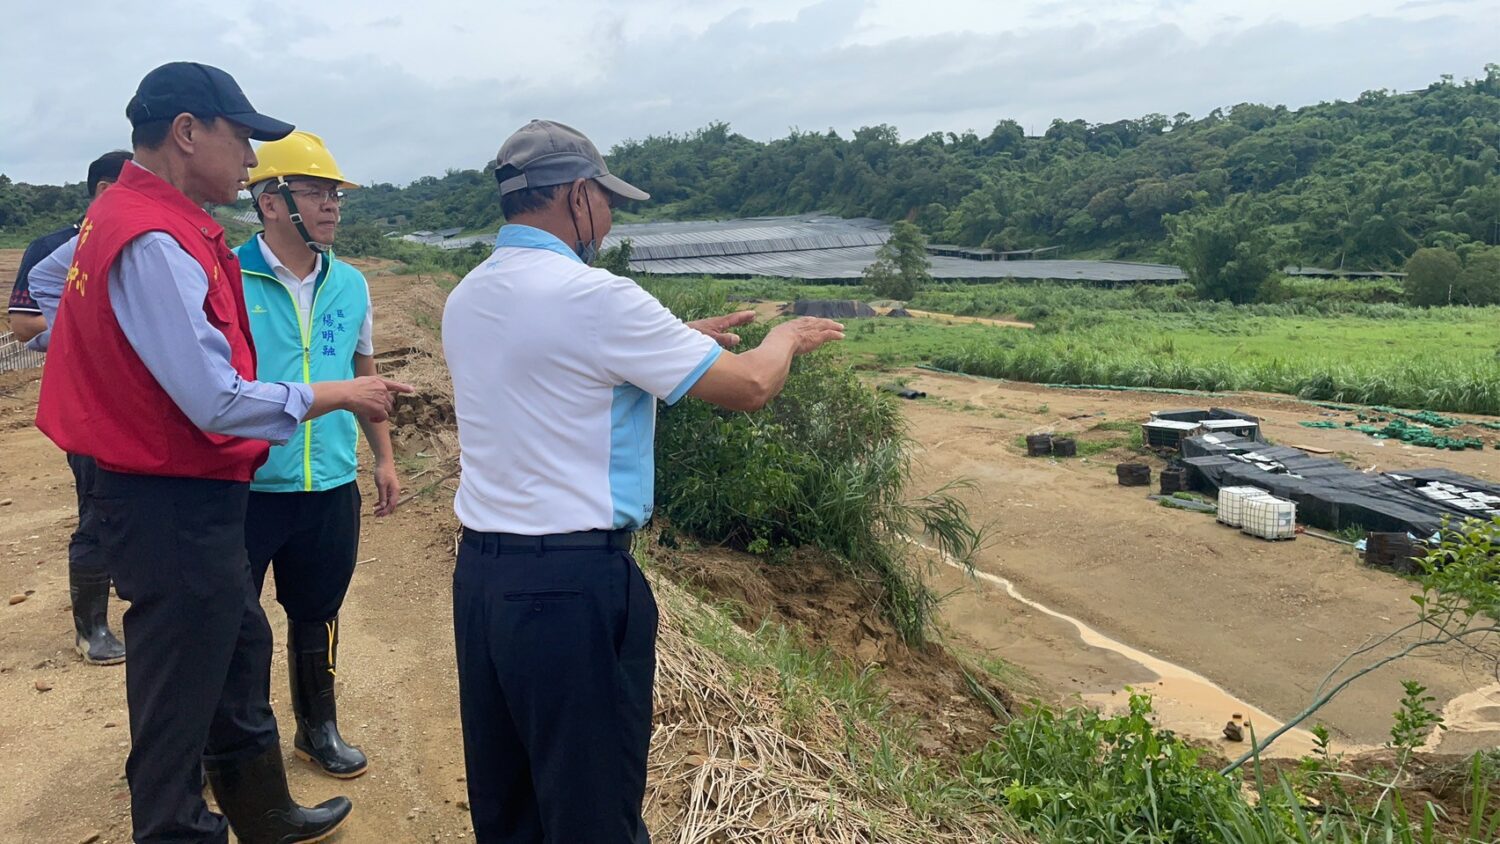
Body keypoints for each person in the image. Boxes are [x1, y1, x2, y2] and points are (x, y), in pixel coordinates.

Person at [35, 61, 410, 844]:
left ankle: (262, 812)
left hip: (184, 488)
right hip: (167, 495)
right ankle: (177, 828)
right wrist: (334, 395)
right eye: (241, 139)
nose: (247, 161)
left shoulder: (133, 218)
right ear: (187, 132)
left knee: (238, 645)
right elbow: (213, 396)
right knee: (179, 689)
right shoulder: (152, 238)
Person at [442, 119, 844, 843]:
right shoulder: (596, 296)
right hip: (572, 590)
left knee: (510, 805)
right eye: (606, 198)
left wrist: (674, 334)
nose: (611, 215)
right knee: (593, 809)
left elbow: (557, 363)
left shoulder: (471, 295)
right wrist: (783, 339)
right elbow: (751, 386)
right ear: (573, 195)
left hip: (481, 579)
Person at [237, 129, 396, 779]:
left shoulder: (351, 284)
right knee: (232, 623)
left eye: (335, 195)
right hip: (245, 484)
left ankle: (317, 728)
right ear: (271, 201)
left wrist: (382, 457)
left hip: (330, 481)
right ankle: (234, 741)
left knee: (317, 613)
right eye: (315, 191)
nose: (331, 205)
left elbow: (365, 372)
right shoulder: (227, 276)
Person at [8, 150, 133, 666]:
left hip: (142, 398)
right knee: (97, 508)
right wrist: (90, 329)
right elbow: (21, 324)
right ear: (106, 189)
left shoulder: (139, 239)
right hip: (89, 400)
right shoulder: (54, 248)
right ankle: (91, 628)